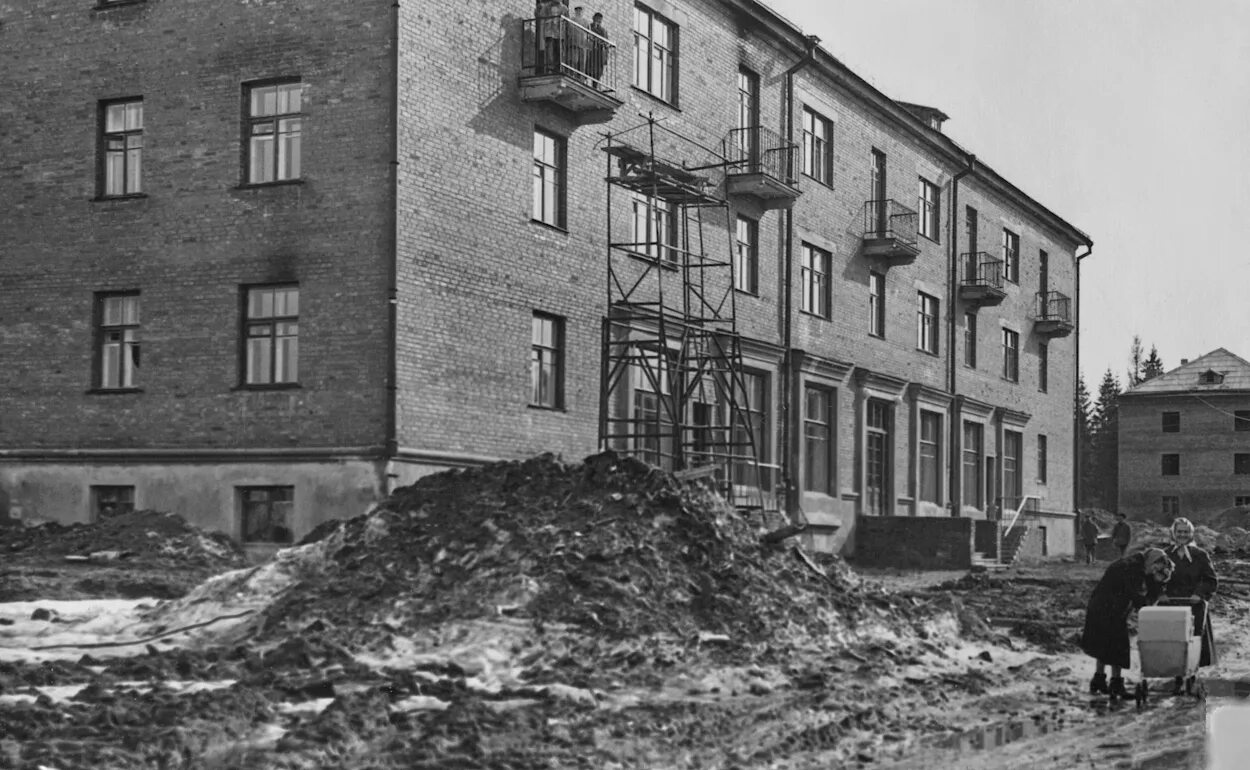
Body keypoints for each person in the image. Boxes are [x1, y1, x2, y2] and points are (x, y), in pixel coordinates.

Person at [1080, 547, 1174, 699]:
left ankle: (1099, 680)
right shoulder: (1129, 568)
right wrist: (1155, 589)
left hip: (1108, 607)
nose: (1155, 571)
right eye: (1157, 568)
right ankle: (1116, 685)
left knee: (1104, 644)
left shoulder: (1141, 565)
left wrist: (1159, 583)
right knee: (1118, 645)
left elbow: (1149, 587)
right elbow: (1139, 599)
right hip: (1105, 608)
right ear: (1153, 562)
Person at [1162, 517, 1218, 694]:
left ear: (1191, 534)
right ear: (1173, 533)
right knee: (1174, 640)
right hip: (1172, 604)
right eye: (1179, 532)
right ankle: (1178, 677)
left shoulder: (1200, 555)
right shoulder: (1165, 554)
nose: (1182, 535)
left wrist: (1199, 593)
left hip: (1194, 604)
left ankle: (1192, 675)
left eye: (1186, 532)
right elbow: (1154, 578)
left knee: (1194, 640)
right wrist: (1160, 593)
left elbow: (1211, 580)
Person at [537, 0, 569, 75]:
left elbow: (567, 20)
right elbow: (540, 15)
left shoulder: (564, 8)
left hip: (559, 33)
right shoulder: (546, 6)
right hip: (549, 32)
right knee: (550, 52)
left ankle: (558, 69)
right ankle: (550, 69)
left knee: (559, 52)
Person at [587, 12, 609, 85]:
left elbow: (606, 44)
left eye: (600, 20)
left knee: (597, 72)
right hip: (590, 51)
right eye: (597, 19)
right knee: (588, 67)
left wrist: (605, 59)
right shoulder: (589, 26)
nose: (598, 21)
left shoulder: (603, 30)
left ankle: (595, 85)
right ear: (593, 19)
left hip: (599, 53)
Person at [567, 6, 588, 79]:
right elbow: (569, 31)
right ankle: (573, 74)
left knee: (582, 62)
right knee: (574, 60)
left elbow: (588, 34)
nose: (578, 12)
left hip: (583, 44)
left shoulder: (585, 21)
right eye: (577, 11)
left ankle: (581, 77)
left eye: (580, 10)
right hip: (574, 43)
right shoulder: (572, 20)